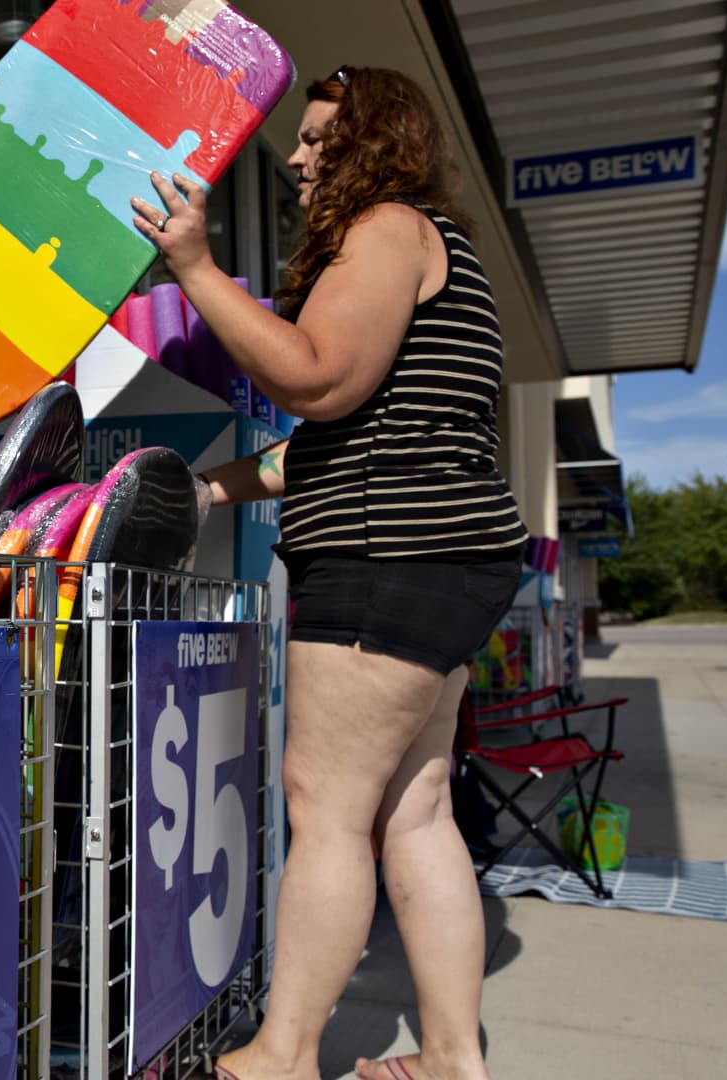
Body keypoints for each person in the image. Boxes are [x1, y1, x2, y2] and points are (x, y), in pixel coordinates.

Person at [132, 65, 527, 1080]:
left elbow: (316, 378)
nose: (298, 158)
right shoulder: (435, 246)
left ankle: (284, 1054)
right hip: (448, 557)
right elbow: (334, 440)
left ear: (373, 144)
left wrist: (195, 267)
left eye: (317, 139)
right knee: (415, 808)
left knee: (326, 808)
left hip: (388, 557)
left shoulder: (385, 228)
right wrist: (209, 492)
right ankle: (452, 1059)